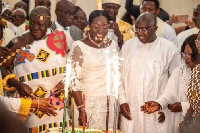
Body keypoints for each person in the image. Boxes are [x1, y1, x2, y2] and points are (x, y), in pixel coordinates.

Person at [2, 6, 73, 132]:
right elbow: (1, 65)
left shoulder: (62, 38)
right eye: (32, 23)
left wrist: (66, 83)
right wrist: (17, 84)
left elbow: (76, 66)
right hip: (29, 106)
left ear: (49, 24)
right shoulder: (20, 40)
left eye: (40, 24)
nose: (35, 27)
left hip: (56, 105)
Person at [120, 12, 180, 133]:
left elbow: (175, 82)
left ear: (155, 28)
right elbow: (118, 76)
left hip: (156, 111)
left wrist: (163, 105)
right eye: (137, 29)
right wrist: (122, 100)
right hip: (131, 108)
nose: (140, 33)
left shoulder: (169, 48)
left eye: (144, 29)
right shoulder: (128, 46)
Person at [70, 10, 129, 129]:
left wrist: (122, 100)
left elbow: (117, 76)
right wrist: (81, 108)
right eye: (96, 26)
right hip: (87, 103)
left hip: (109, 103)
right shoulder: (78, 46)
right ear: (89, 26)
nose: (101, 30)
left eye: (105, 27)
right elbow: (74, 81)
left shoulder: (112, 45)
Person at [141, 34, 198, 133]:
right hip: (178, 123)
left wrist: (183, 106)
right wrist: (159, 104)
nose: (185, 57)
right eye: (183, 53)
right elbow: (169, 94)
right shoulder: (180, 71)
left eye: (188, 54)